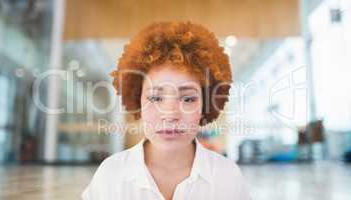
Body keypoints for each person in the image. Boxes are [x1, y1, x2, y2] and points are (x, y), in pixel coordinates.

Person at [82, 21, 250, 200]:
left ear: (205, 106)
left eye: (188, 99)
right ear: (138, 102)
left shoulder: (228, 178)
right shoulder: (110, 176)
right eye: (155, 98)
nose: (170, 114)